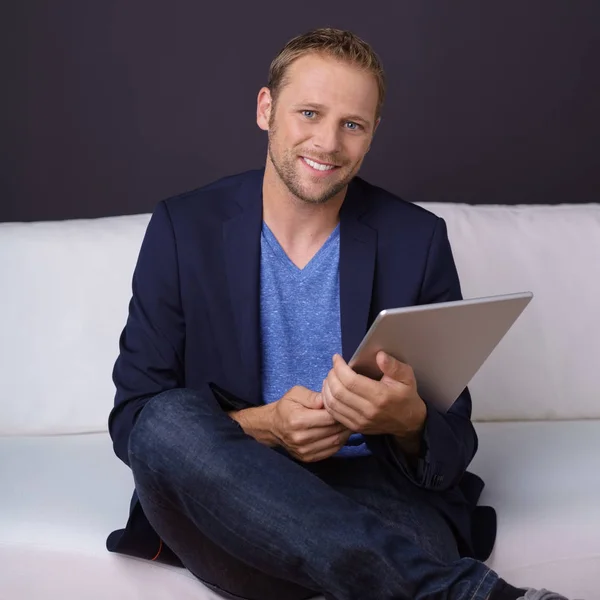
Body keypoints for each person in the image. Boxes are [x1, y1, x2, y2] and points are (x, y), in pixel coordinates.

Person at [107, 28, 574, 600]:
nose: (327, 143)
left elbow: (452, 446)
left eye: (352, 124)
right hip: (234, 492)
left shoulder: (416, 239)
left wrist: (407, 421)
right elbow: (134, 423)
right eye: (309, 113)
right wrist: (267, 426)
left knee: (372, 553)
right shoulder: (185, 229)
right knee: (165, 421)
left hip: (377, 497)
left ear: (373, 133)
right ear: (266, 110)